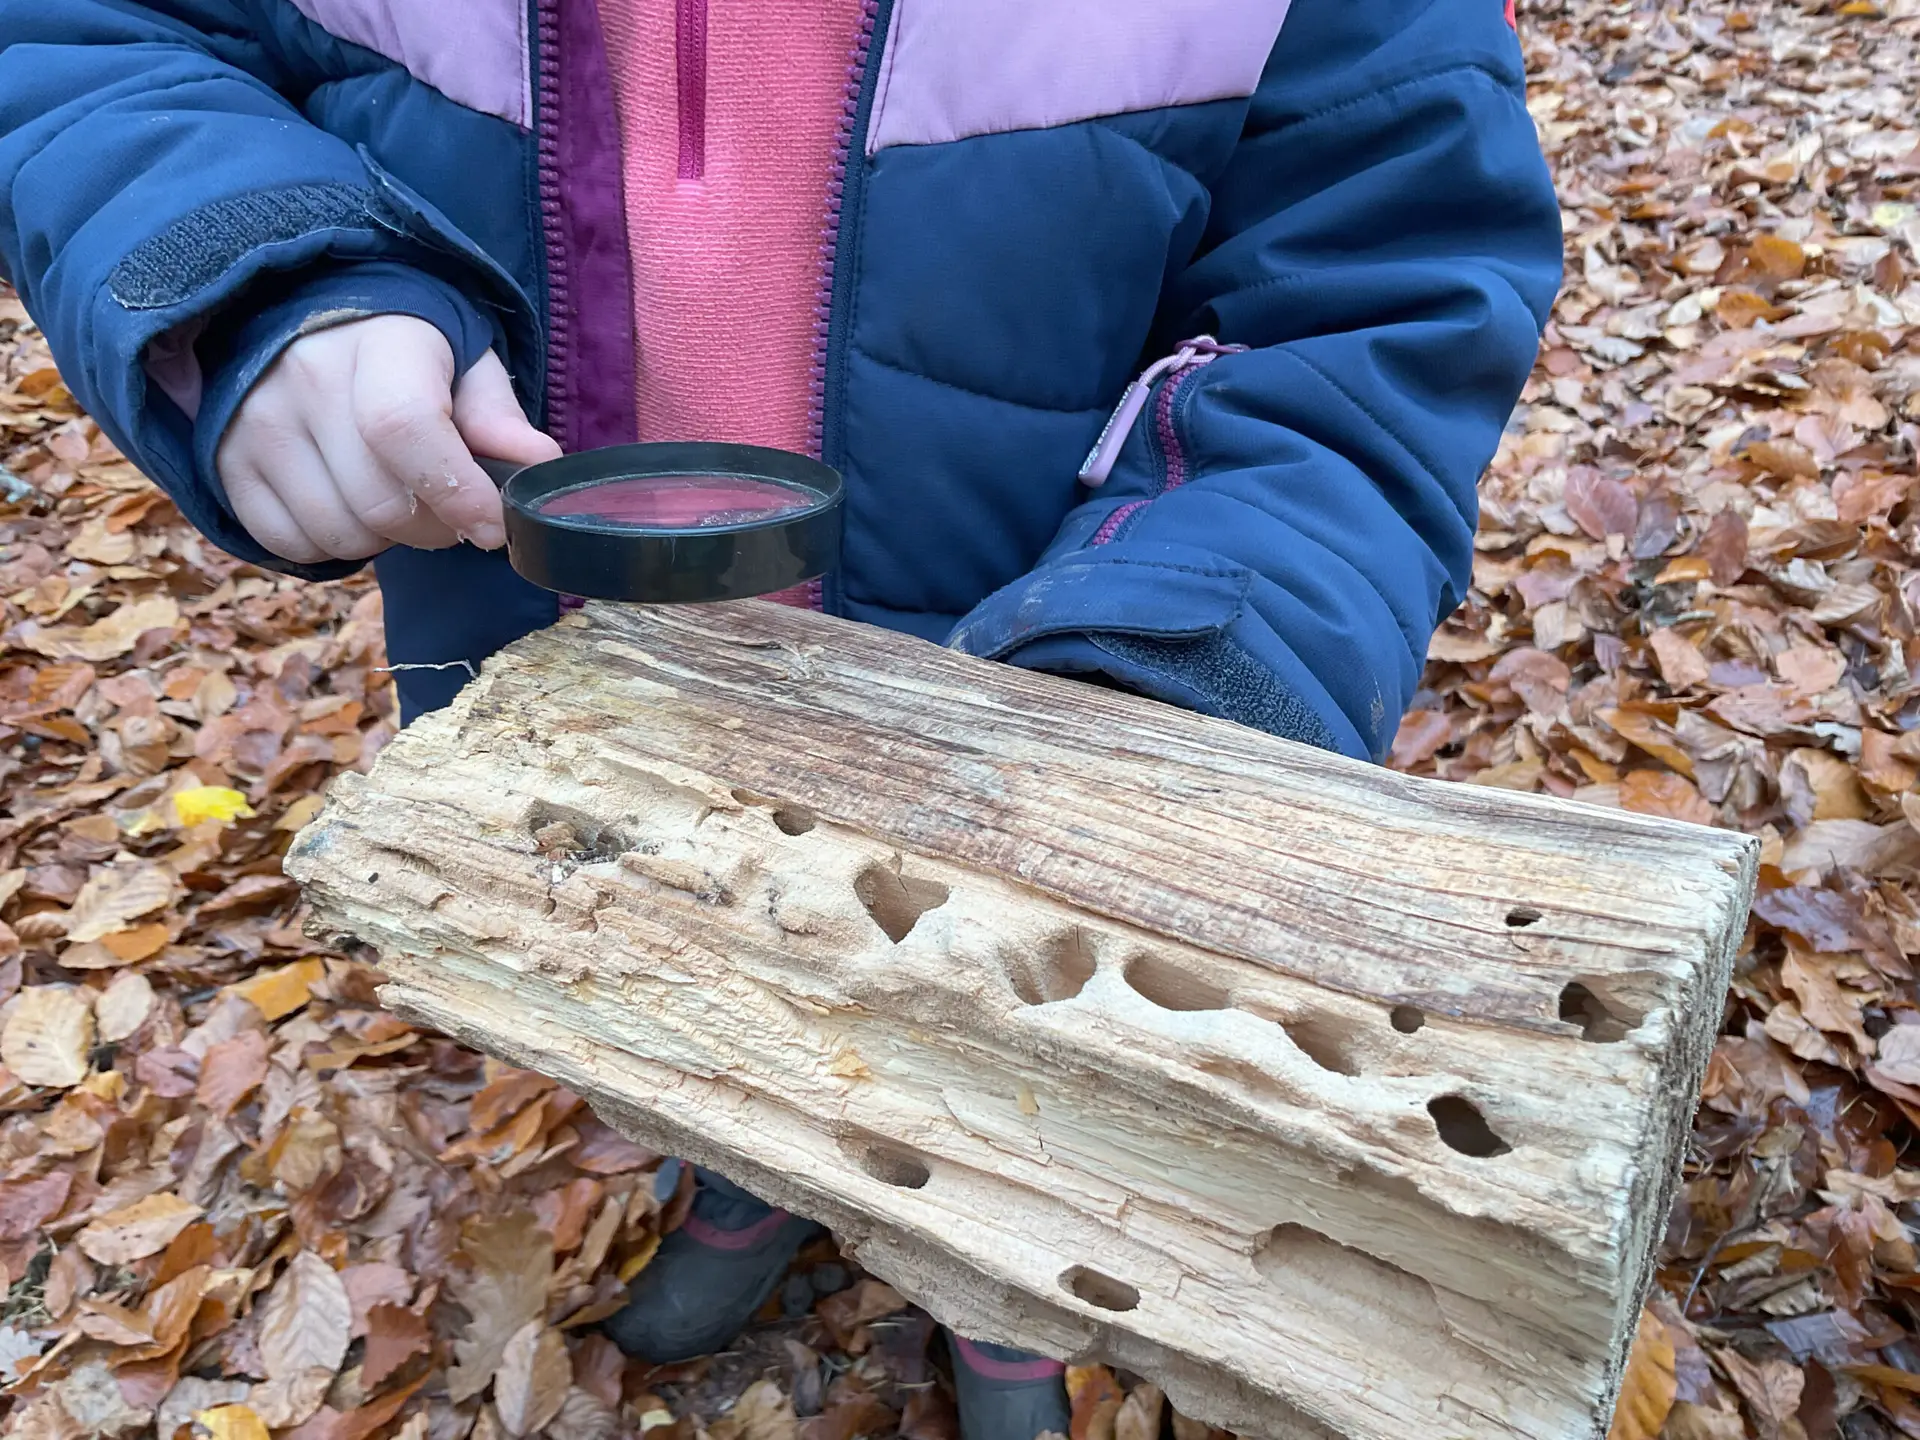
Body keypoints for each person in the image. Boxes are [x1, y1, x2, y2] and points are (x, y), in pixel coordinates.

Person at [0, 0, 1561, 1434]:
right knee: (681, 970)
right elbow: (83, 37)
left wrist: (1196, 659)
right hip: (578, 684)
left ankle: (1009, 1310)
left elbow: (1377, 293)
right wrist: (264, 267)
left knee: (997, 1046)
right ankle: (737, 1174)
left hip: (1010, 689)